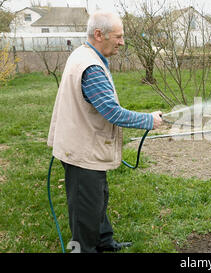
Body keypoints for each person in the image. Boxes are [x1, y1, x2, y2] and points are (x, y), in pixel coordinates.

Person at [47, 11, 163, 253]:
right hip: (81, 150)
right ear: (99, 34)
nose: (122, 42)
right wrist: (148, 120)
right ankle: (84, 249)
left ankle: (105, 243)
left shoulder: (86, 53)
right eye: (118, 37)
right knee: (85, 210)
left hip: (85, 144)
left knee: (98, 199)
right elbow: (112, 112)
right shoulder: (91, 67)